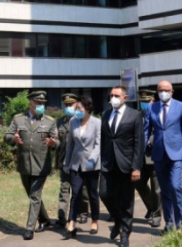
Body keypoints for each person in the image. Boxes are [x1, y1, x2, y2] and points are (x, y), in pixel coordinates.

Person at [5, 90, 58, 241]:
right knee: (32, 195)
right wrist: (13, 139)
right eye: (37, 103)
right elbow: (7, 136)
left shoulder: (50, 121)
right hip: (24, 164)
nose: (40, 105)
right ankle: (45, 220)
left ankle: (29, 228)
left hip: (42, 165)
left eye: (43, 103)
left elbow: (57, 141)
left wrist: (53, 143)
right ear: (30, 103)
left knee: (34, 196)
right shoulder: (18, 119)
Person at [144, 80, 182, 234]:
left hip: (177, 152)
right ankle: (169, 223)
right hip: (159, 154)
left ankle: (180, 223)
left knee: (175, 186)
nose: (163, 93)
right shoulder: (152, 107)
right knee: (164, 190)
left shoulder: (181, 106)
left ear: (172, 92)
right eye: (160, 90)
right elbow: (146, 130)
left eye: (166, 90)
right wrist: (142, 147)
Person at [99, 85, 144, 247]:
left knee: (126, 200)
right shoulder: (105, 114)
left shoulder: (135, 115)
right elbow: (104, 140)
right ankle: (118, 220)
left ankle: (125, 232)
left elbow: (139, 143)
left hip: (126, 164)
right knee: (104, 194)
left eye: (116, 95)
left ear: (125, 98)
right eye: (111, 95)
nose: (113, 98)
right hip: (108, 163)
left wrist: (136, 167)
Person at [63, 95, 101, 238]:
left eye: (79, 108)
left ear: (87, 108)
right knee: (75, 193)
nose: (77, 111)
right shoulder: (73, 122)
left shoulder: (97, 123)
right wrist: (66, 163)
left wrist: (92, 159)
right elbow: (70, 145)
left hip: (92, 165)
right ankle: (72, 223)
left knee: (92, 194)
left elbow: (98, 144)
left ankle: (95, 220)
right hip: (76, 163)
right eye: (76, 109)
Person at [56, 92, 87, 227]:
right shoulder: (60, 121)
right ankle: (62, 216)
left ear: (76, 104)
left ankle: (83, 212)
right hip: (65, 161)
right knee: (64, 188)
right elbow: (59, 143)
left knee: (81, 188)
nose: (68, 107)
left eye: (71, 104)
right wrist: (57, 161)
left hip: (80, 161)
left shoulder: (82, 119)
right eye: (66, 104)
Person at [134, 89, 163, 228]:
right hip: (140, 158)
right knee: (138, 183)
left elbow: (163, 131)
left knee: (156, 188)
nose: (144, 104)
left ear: (153, 101)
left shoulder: (159, 114)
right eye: (142, 102)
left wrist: (150, 139)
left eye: (147, 101)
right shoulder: (136, 116)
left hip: (154, 155)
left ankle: (156, 215)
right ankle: (152, 207)